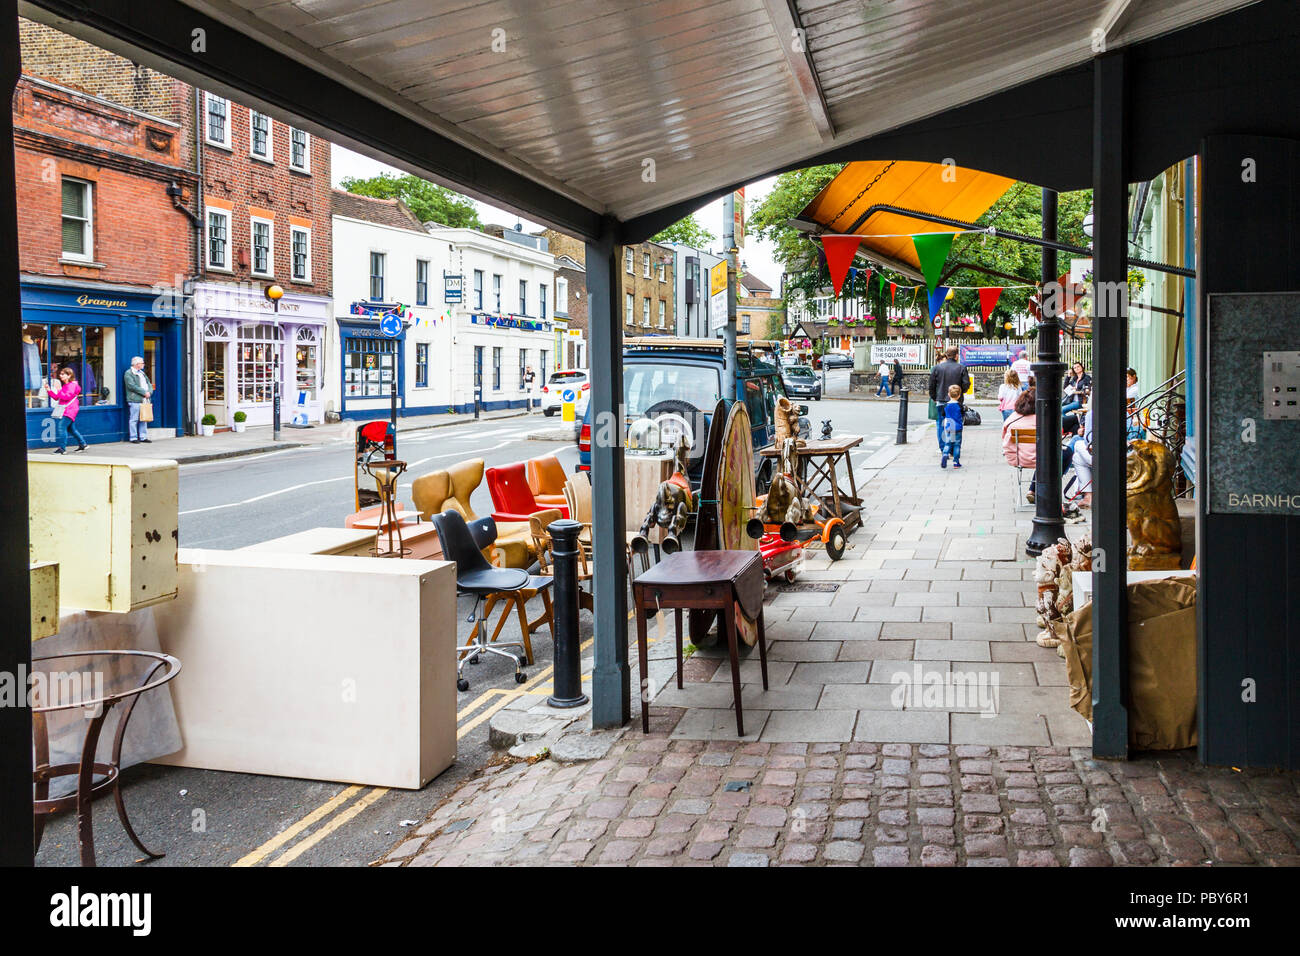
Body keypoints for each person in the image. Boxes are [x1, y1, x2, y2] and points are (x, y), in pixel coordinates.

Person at [927, 345, 969, 450]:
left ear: (947, 354)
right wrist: (959, 393)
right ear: (956, 356)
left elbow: (931, 385)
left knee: (940, 424)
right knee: (954, 425)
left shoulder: (937, 368)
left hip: (940, 399)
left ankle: (943, 448)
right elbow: (966, 384)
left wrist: (934, 397)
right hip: (956, 401)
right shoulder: (961, 368)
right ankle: (952, 449)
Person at [48, 366, 87, 454]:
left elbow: (66, 397)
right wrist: (49, 390)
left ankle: (62, 449)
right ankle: (83, 444)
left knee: (61, 427)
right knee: (71, 429)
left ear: (69, 375)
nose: (60, 376)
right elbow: (57, 397)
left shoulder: (72, 385)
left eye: (63, 374)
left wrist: (58, 389)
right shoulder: (66, 386)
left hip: (69, 410)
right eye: (60, 374)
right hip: (67, 409)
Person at [123, 355, 153, 443]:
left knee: (144, 418)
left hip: (144, 399)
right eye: (142, 363)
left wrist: (149, 392)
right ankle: (133, 437)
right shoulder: (128, 373)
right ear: (136, 364)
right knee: (134, 419)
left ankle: (143, 437)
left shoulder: (142, 373)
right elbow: (131, 386)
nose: (143, 364)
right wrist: (144, 392)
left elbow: (149, 383)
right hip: (134, 399)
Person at [940, 383, 964, 469]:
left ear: (948, 394)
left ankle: (945, 454)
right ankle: (956, 462)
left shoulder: (946, 405)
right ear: (959, 395)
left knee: (948, 443)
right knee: (957, 445)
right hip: (957, 427)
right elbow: (962, 414)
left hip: (949, 427)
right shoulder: (960, 405)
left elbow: (943, 415)